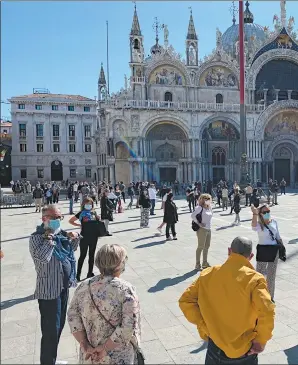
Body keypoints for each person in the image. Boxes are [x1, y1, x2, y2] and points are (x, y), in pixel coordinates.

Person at [179, 236, 275, 365]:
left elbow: (185, 301)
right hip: (243, 348)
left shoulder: (208, 273)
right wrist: (261, 340)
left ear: (229, 251)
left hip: (214, 344)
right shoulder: (255, 279)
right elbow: (267, 310)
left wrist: (204, 326)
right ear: (251, 256)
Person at [67, 244, 141, 365]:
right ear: (119, 264)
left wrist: (84, 344)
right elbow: (129, 325)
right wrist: (105, 348)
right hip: (117, 356)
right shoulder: (126, 290)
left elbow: (72, 316)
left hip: (89, 354)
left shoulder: (84, 286)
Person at [29, 205, 80, 365]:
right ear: (45, 219)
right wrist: (50, 237)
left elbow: (69, 252)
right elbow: (43, 258)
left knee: (59, 327)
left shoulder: (61, 235)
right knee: (50, 331)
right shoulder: (36, 238)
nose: (58, 221)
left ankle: (52, 359)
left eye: (60, 217)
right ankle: (47, 362)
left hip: (63, 287)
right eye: (55, 217)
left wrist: (74, 238)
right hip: (49, 291)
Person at [251, 204, 284, 301]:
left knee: (271, 275)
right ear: (260, 214)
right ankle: (258, 296)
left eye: (268, 211)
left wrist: (282, 248)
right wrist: (254, 214)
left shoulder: (274, 222)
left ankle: (270, 297)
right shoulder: (259, 224)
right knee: (259, 274)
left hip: (274, 250)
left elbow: (278, 235)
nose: (267, 213)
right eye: (264, 212)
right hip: (263, 250)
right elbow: (253, 226)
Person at [69, 197, 101, 281]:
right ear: (83, 205)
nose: (89, 205)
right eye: (87, 204)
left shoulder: (94, 212)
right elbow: (71, 221)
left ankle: (90, 273)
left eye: (90, 204)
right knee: (82, 255)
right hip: (84, 236)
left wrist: (98, 218)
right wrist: (79, 225)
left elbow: (97, 223)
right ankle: (78, 275)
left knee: (91, 255)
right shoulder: (81, 213)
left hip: (94, 236)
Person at [191, 194, 213, 270]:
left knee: (207, 246)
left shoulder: (209, 207)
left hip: (208, 229)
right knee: (201, 246)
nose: (208, 200)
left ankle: (205, 262)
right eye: (206, 199)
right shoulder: (199, 208)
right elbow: (192, 216)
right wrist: (199, 223)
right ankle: (197, 264)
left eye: (209, 199)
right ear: (202, 200)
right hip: (202, 229)